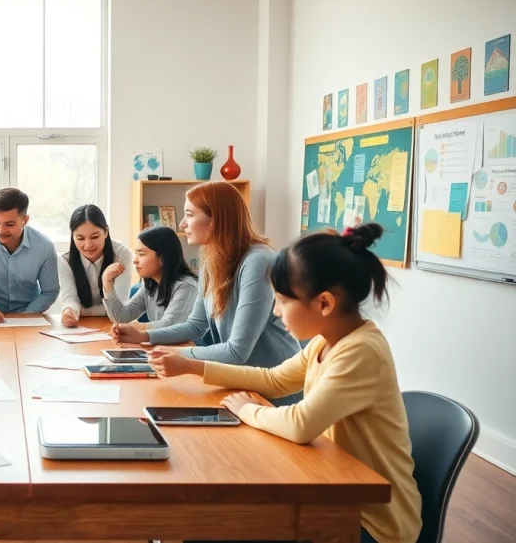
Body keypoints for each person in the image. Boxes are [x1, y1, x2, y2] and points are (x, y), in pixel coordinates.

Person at [150, 224, 421, 543]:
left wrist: (248, 410)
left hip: (369, 521)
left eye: (282, 301)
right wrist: (193, 366)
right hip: (332, 491)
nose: (277, 312)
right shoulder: (327, 342)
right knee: (212, 522)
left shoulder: (361, 352)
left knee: (216, 525)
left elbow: (301, 423)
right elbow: (274, 379)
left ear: (324, 304)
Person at [112, 182, 299, 378]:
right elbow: (195, 325)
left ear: (217, 220)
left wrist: (177, 355)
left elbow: (237, 351)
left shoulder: (258, 262)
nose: (182, 223)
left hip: (274, 384)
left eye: (190, 214)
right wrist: (144, 336)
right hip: (240, 379)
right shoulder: (213, 261)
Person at [0, 188, 60, 322]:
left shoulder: (44, 246)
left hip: (30, 316)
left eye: (9, 224)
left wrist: (26, 315)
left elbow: (50, 291)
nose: (1, 230)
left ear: (25, 220)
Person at [102, 226, 198, 329]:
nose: (135, 260)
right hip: (161, 344)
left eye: (142, 254)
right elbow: (122, 317)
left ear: (162, 259)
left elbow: (169, 325)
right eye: (136, 254)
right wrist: (107, 282)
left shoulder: (186, 286)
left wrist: (135, 327)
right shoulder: (151, 283)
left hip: (190, 345)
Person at [58, 204, 135, 327]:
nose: (88, 245)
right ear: (73, 236)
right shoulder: (65, 260)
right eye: (80, 238)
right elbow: (70, 299)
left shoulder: (122, 255)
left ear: (106, 232)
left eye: (94, 237)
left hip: (115, 325)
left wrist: (80, 311)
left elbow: (119, 307)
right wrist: (69, 311)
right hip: (81, 326)